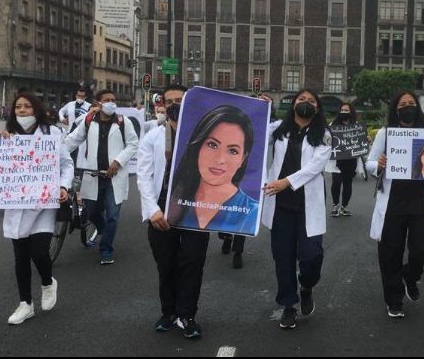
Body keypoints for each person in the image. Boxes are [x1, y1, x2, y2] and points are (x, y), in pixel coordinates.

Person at [366, 91, 424, 319]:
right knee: (390, 254)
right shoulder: (386, 133)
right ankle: (394, 299)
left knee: (423, 248)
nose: (407, 106)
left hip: (420, 202)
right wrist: (379, 164)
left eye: (411, 103)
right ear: (395, 108)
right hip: (393, 203)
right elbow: (370, 162)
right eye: (402, 104)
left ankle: (410, 276)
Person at [137, 84, 206, 339]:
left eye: (181, 99)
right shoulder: (152, 137)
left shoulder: (204, 134)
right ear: (163, 105)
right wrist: (153, 211)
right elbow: (144, 176)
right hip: (162, 211)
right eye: (170, 101)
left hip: (195, 210)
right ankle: (169, 312)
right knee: (166, 264)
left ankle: (187, 314)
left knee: (192, 263)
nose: (175, 104)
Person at [260, 89, 331, 330]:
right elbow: (255, 135)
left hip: (307, 205)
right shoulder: (279, 128)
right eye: (302, 99)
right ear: (293, 104)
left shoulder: (324, 134)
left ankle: (307, 285)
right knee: (283, 258)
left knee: (312, 255)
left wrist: (286, 182)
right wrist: (262, 110)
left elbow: (316, 165)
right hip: (280, 205)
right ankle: (289, 305)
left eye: (312, 101)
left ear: (317, 108)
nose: (306, 103)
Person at [0, 92, 73, 325]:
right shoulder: (7, 136)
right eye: (18, 107)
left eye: (27, 106)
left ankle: (48, 282)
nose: (22, 111)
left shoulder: (51, 133)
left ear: (36, 109)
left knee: (39, 252)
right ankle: (25, 304)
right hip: (17, 205)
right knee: (20, 256)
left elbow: (66, 163)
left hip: (44, 203)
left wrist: (63, 186)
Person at [64, 89, 139, 265]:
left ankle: (106, 249)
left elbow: (133, 145)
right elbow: (73, 140)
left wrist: (118, 162)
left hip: (114, 175)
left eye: (113, 100)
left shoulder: (123, 122)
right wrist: (55, 153)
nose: (111, 103)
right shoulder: (89, 121)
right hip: (93, 175)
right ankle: (104, 229)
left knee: (113, 214)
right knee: (93, 212)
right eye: (107, 100)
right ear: (97, 103)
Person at [167, 105, 259, 236]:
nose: (220, 159)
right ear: (198, 146)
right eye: (212, 144)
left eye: (233, 150)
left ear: (243, 159)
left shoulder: (251, 211)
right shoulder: (177, 197)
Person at [326, 102, 365, 218]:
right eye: (342, 110)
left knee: (348, 184)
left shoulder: (356, 125)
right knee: (336, 182)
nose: (344, 112)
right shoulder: (333, 124)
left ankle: (344, 206)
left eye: (346, 110)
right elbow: (327, 139)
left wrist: (365, 139)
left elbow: (361, 142)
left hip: (351, 160)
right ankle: (335, 205)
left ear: (351, 111)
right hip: (337, 160)